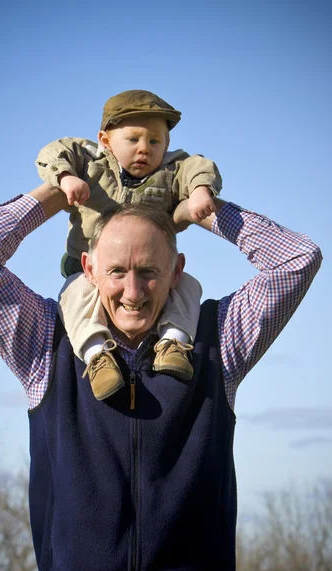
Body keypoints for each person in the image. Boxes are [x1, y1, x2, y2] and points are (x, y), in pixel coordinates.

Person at [0, 183, 322, 571]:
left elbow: (297, 260)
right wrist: (57, 194)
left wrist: (206, 210)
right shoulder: (47, 342)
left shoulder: (217, 340)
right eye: (117, 272)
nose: (133, 292)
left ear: (177, 271)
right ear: (88, 269)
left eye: (149, 272)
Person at [35, 89, 223, 400]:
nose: (144, 149)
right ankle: (97, 355)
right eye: (133, 139)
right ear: (105, 139)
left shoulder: (170, 171)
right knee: (76, 295)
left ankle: (173, 342)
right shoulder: (91, 161)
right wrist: (66, 178)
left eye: (155, 141)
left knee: (189, 286)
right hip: (91, 271)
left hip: (152, 271)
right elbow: (53, 153)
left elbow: (198, 167)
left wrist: (201, 191)